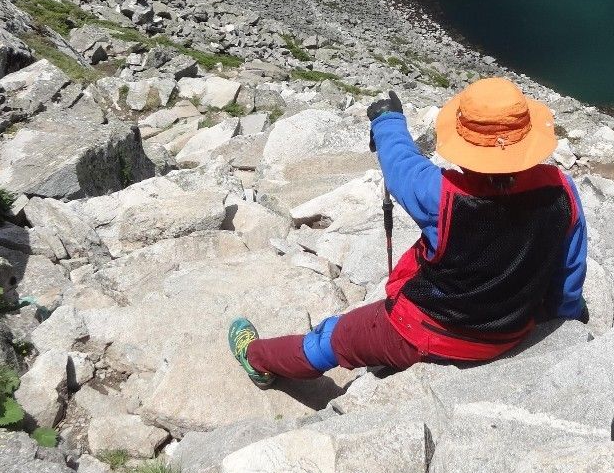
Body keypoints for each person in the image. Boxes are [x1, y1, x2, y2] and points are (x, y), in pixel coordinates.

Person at [227, 77, 588, 386]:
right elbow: (569, 273)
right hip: (511, 330)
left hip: (426, 331)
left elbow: (400, 164)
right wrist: (562, 315)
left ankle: (257, 359)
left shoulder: (441, 195)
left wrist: (387, 120)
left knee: (332, 338)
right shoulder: (562, 191)